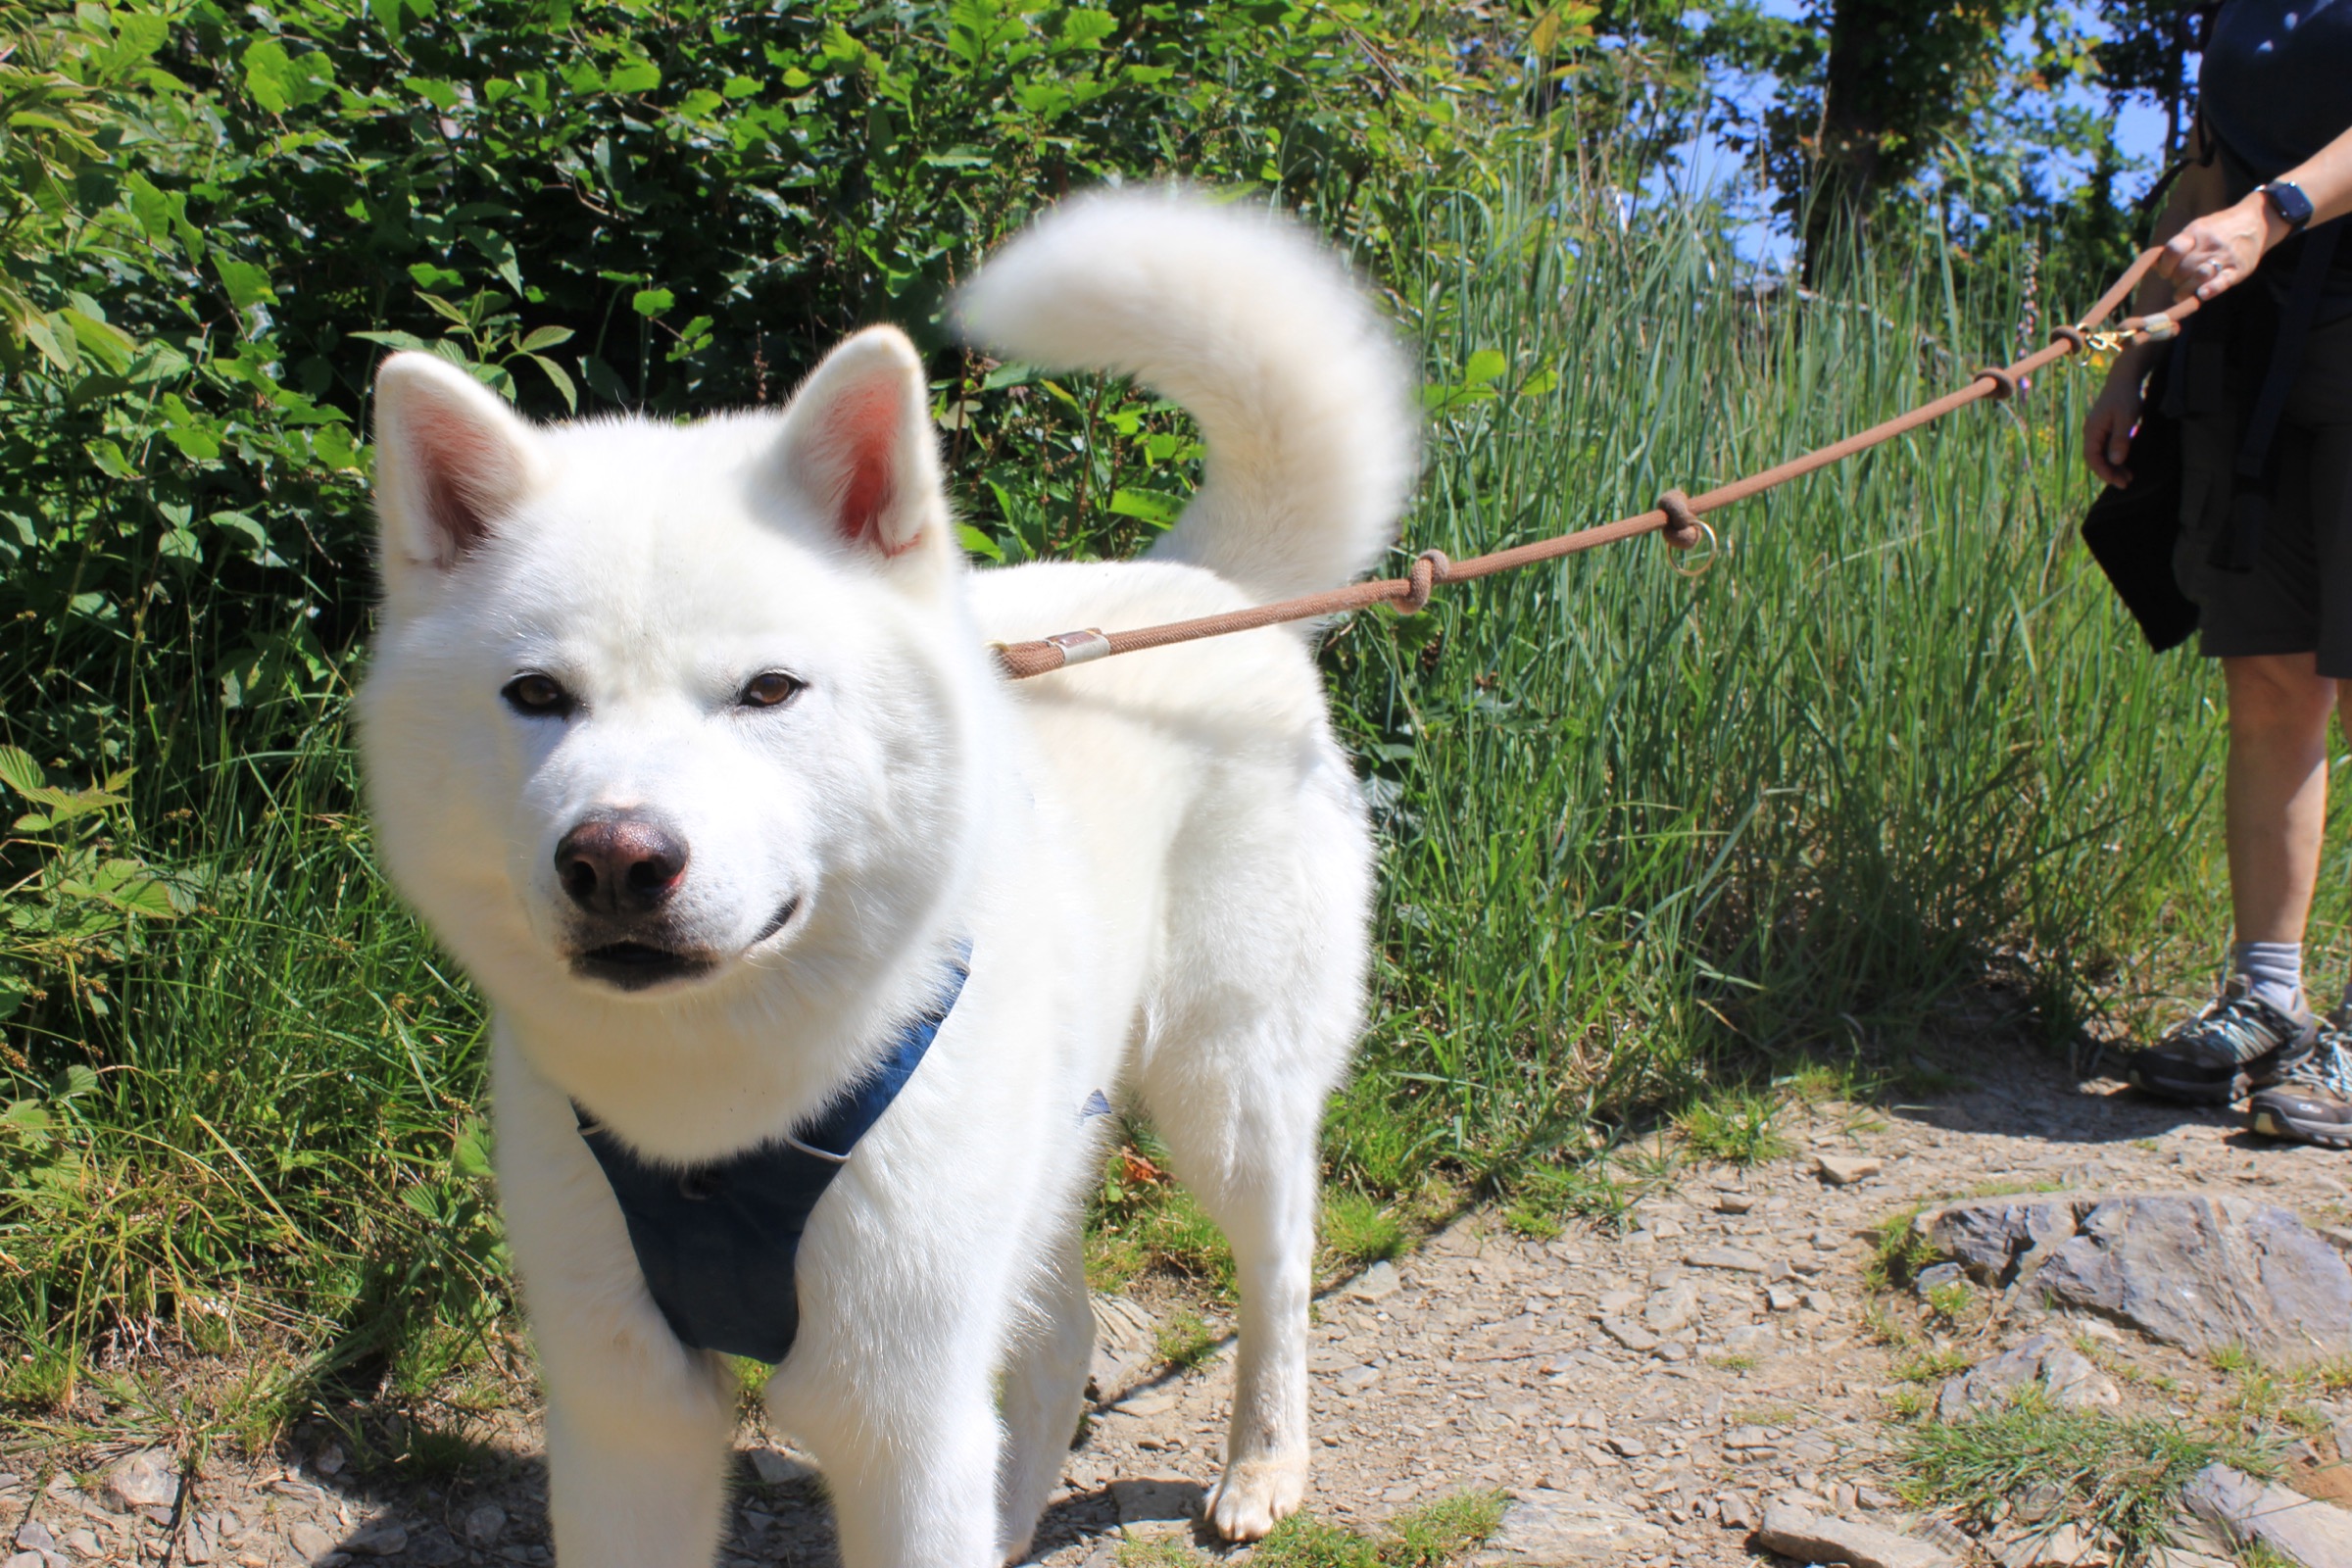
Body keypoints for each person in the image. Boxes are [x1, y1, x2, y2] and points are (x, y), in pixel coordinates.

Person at [2083, 0, 2352, 1144]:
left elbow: (2247, 205)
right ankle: (2267, 998)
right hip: (2259, 380)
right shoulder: (2244, 14)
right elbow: (2199, 193)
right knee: (2269, 684)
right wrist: (2124, 362)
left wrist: (2274, 211)